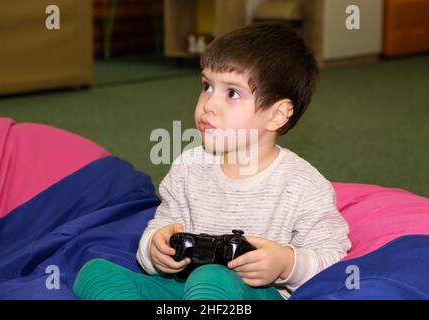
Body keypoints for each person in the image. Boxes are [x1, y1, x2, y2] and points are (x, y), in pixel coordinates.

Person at [73, 21, 351, 300]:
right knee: (94, 273)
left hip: (253, 294)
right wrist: (154, 250)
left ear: (277, 115)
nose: (208, 105)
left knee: (212, 277)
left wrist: (286, 264)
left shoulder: (303, 185)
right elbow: (161, 226)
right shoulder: (188, 167)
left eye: (232, 93)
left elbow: (332, 259)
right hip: (182, 288)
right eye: (207, 86)